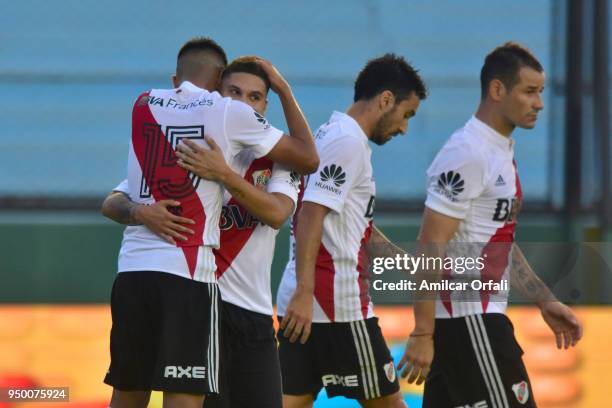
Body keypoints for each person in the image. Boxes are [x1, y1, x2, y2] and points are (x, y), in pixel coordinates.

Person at [102, 37, 317, 408]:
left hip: (249, 312)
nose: (243, 103)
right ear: (217, 91)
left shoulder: (275, 162)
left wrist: (227, 176)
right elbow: (114, 200)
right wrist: (140, 212)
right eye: (233, 91)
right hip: (201, 296)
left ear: (265, 105)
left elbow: (279, 214)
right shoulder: (197, 140)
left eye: (255, 97)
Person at [398, 42, 583, 408]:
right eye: (529, 92)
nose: (539, 104)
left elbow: (493, 241)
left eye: (541, 93)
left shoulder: (499, 149)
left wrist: (544, 299)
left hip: (471, 325)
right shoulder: (468, 152)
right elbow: (430, 241)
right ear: (497, 90)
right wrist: (422, 331)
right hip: (472, 323)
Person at [275, 54, 427, 408]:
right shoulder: (347, 143)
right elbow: (311, 214)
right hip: (337, 306)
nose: (404, 128)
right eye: (407, 114)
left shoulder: (331, 134)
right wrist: (305, 290)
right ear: (386, 99)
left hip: (308, 304)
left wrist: (401, 260)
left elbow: (349, 223)